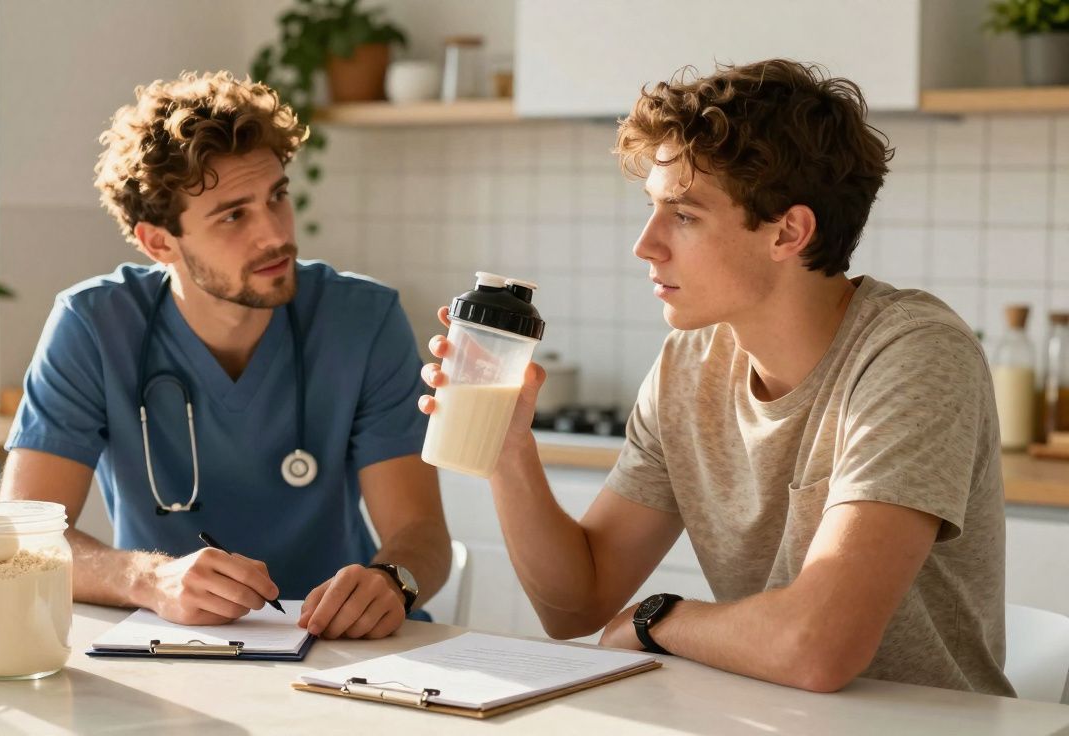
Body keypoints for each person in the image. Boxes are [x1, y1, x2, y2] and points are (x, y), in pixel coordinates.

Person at [419, 59, 1014, 695]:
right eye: (653, 209)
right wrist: (510, 448)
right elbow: (575, 605)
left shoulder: (914, 355)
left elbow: (818, 646)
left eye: (684, 215)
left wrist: (658, 620)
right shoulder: (690, 365)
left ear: (789, 231)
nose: (645, 244)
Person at [0, 70, 450, 640]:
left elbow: (423, 535)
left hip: (346, 647)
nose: (275, 234)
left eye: (277, 197)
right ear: (159, 242)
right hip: (177, 646)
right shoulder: (93, 325)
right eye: (234, 214)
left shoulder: (362, 319)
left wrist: (393, 580)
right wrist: (150, 580)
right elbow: (21, 533)